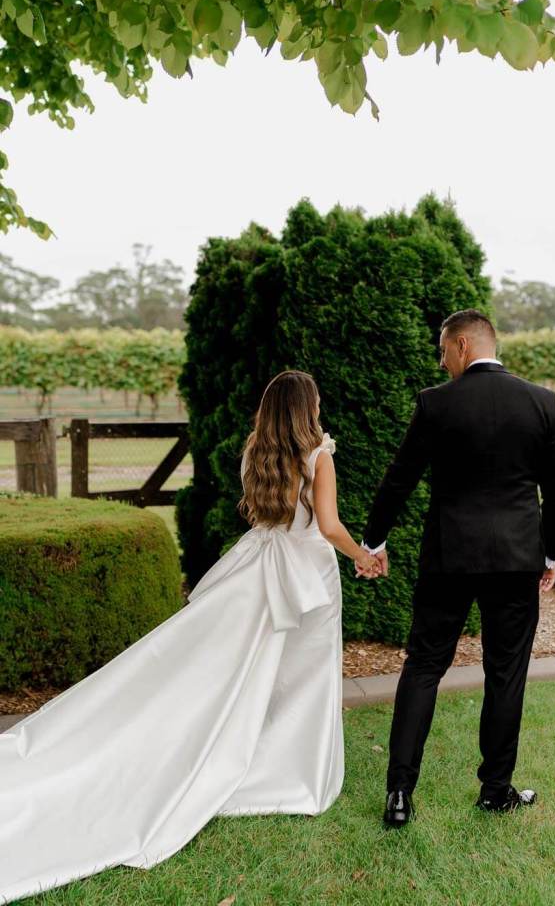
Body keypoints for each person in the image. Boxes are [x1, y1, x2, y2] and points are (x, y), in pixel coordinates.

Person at [0, 370, 380, 904]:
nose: (320, 407)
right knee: (299, 679)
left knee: (242, 674)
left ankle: (250, 753)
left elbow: (267, 517)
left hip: (257, 565)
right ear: (307, 409)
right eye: (316, 400)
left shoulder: (257, 453)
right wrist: (363, 555)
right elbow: (330, 525)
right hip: (307, 576)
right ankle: (286, 769)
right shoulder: (319, 455)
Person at [358, 309, 555, 826]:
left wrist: (373, 538)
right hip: (517, 560)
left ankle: (400, 794)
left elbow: (399, 478)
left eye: (442, 350)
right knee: (506, 672)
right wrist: (551, 554)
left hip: (449, 557)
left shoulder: (436, 404)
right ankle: (495, 790)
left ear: (461, 347)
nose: (441, 360)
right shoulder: (542, 403)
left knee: (425, 666)